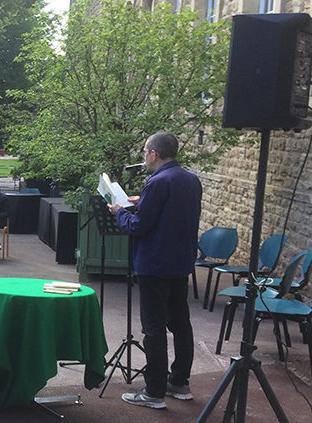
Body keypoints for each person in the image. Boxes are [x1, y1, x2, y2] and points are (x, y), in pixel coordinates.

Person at [108, 131, 201, 409]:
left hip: (155, 264)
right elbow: (172, 211)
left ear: (153, 154)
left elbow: (139, 226)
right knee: (180, 324)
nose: (144, 156)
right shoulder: (191, 179)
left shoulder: (157, 181)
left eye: (144, 151)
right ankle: (180, 382)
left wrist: (119, 212)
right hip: (180, 262)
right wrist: (142, 202)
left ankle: (154, 391)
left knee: (154, 328)